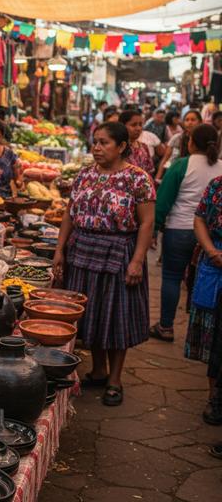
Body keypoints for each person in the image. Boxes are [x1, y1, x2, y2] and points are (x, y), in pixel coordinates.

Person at [53, 121, 155, 406]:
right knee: (91, 313)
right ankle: (98, 370)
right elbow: (69, 214)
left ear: (122, 146)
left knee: (116, 317)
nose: (96, 148)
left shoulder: (138, 178)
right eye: (94, 142)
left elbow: (147, 223)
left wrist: (137, 260)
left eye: (104, 143)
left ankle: (115, 379)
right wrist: (60, 250)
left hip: (119, 252)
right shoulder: (85, 175)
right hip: (83, 250)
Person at [151, 125, 222, 342]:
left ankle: (166, 326)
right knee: (200, 280)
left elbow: (163, 201)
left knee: (172, 278)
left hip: (179, 231)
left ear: (190, 142)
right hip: (209, 237)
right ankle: (201, 331)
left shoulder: (182, 165)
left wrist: (154, 229)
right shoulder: (221, 168)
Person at [186, 173, 222, 427]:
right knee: (214, 338)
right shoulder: (217, 185)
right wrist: (211, 251)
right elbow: (199, 218)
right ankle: (215, 398)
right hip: (213, 262)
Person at [157, 110, 203, 181]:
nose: (189, 122)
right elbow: (166, 158)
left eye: (193, 120)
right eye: (187, 120)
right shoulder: (177, 138)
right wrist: (158, 177)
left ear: (200, 122)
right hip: (175, 173)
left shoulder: (203, 138)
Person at [120, 109, 154, 175]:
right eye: (133, 125)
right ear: (122, 125)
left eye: (140, 125)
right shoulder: (119, 148)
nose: (138, 128)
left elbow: (149, 171)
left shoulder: (144, 147)